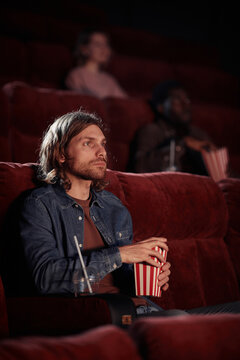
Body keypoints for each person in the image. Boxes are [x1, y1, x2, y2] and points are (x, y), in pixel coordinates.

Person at [11, 110, 240, 316]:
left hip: (143, 309)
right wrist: (120, 255)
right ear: (61, 154)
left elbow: (122, 278)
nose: (102, 152)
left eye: (103, 144)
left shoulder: (113, 206)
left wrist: (148, 276)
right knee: (176, 322)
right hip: (101, 314)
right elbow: (46, 279)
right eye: (88, 144)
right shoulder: (39, 205)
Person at [128, 80, 217, 175]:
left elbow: (225, 176)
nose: (185, 103)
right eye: (177, 99)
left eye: (187, 99)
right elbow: (141, 166)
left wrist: (216, 159)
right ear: (160, 107)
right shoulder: (152, 130)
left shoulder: (197, 133)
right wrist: (182, 145)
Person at [65, 29, 128, 99]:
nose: (104, 48)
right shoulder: (76, 74)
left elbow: (124, 101)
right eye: (97, 44)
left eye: (106, 44)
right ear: (84, 49)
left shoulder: (110, 79)